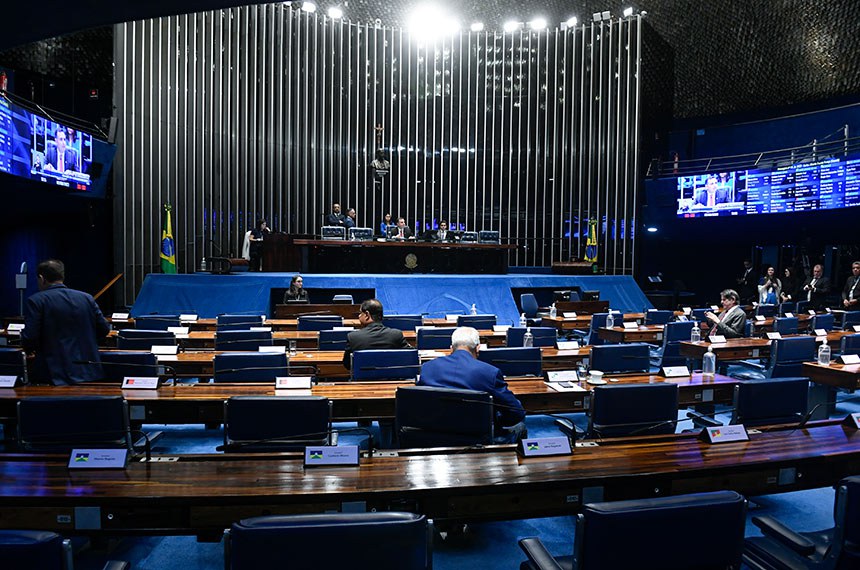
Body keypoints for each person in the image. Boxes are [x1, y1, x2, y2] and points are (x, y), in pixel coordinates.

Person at [418, 326, 527, 443]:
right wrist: (496, 420)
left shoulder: (427, 368)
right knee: (520, 427)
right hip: (479, 440)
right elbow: (516, 412)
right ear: (478, 348)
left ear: (451, 348)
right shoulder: (490, 372)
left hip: (435, 436)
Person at [20, 259, 111, 385]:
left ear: (41, 278)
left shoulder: (36, 301)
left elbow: (30, 337)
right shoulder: (86, 298)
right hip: (89, 371)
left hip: (53, 374)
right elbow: (104, 329)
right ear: (62, 276)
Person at [342, 298, 411, 369]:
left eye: (360, 313)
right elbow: (410, 356)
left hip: (363, 379)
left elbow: (347, 364)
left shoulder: (353, 337)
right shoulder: (396, 335)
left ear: (367, 315)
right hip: (390, 378)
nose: (359, 316)